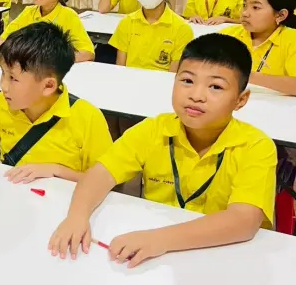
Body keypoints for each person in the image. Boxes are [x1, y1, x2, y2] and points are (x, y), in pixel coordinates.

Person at [49, 33, 276, 267]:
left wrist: (160, 239)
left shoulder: (255, 146)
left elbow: (244, 221)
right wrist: (77, 216)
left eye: (216, 87)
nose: (196, 95)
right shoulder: (153, 129)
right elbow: (101, 173)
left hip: (222, 256)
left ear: (240, 100)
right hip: (154, 256)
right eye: (187, 81)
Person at [0, 23, 112, 181]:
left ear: (48, 86)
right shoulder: (2, 102)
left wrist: (57, 171)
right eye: (3, 73)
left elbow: (106, 180)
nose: (3, 85)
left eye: (13, 78)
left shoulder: (87, 118)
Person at [221, 0, 296, 97]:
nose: (245, 13)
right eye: (245, 5)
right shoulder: (228, 36)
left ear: (281, 15)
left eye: (256, 7)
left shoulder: (295, 40)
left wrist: (245, 75)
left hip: (278, 105)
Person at [110, 0, 193, 72]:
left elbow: (173, 75)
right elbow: (120, 68)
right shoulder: (127, 22)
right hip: (130, 80)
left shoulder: (182, 28)